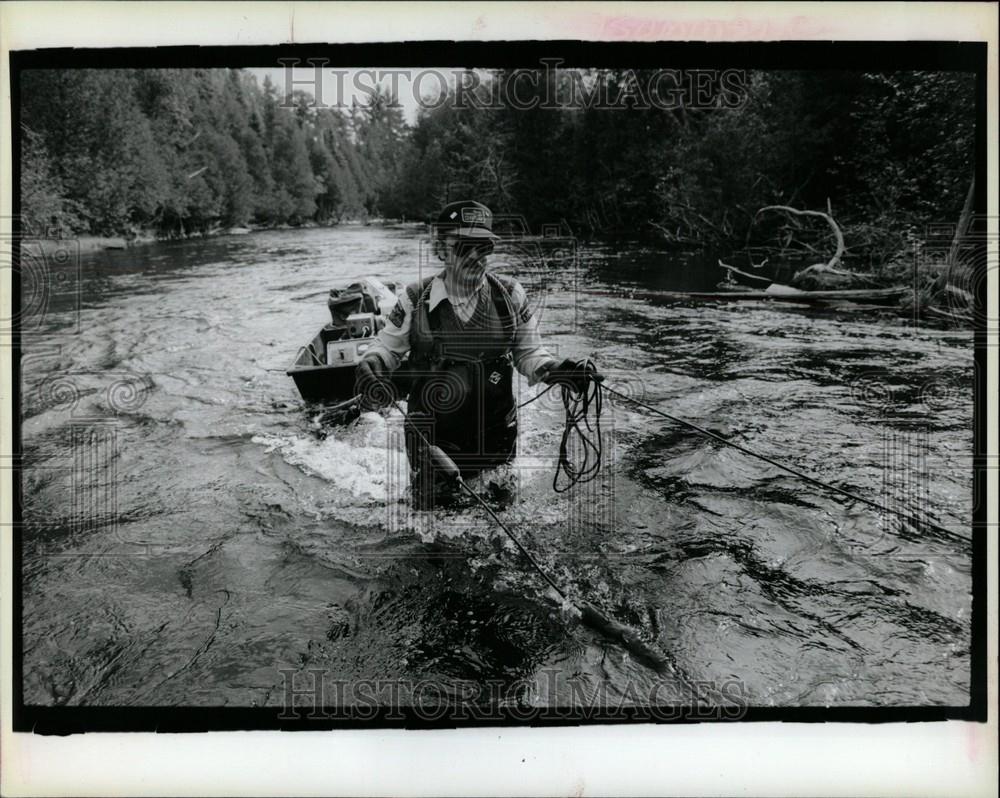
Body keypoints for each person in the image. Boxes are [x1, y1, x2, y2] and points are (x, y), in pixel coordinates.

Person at [355, 200, 602, 508]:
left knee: (502, 528)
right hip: (433, 443)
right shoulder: (414, 298)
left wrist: (559, 370)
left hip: (495, 437)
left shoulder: (510, 295)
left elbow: (530, 354)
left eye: (484, 247)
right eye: (464, 247)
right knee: (433, 533)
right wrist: (372, 363)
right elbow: (385, 349)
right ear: (441, 249)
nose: (476, 257)